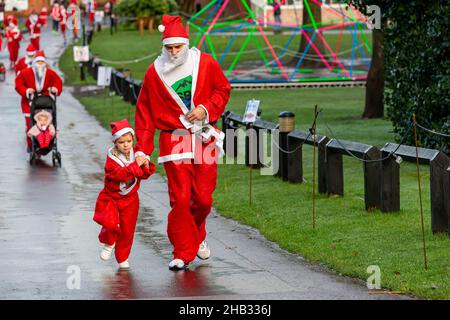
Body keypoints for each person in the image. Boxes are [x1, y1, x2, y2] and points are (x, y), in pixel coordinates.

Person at [134, 15, 231, 271]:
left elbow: (222, 89)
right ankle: (181, 251)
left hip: (204, 136)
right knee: (180, 198)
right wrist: (143, 150)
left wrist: (205, 108)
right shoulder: (154, 73)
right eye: (169, 47)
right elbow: (144, 112)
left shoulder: (205, 62)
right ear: (164, 46)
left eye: (178, 47)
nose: (174, 52)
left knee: (203, 199)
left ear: (186, 44)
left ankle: (196, 234)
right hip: (174, 137)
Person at [93, 119, 156, 270]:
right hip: (111, 197)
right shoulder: (111, 159)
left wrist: (145, 165)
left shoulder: (136, 155)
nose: (126, 145)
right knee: (109, 223)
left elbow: (143, 175)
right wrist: (136, 164)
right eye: (121, 142)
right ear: (115, 143)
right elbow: (120, 175)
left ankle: (122, 257)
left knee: (128, 229)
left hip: (130, 199)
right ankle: (109, 243)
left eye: (128, 141)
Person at [15, 51, 63, 152]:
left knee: (46, 124)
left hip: (45, 102)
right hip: (29, 102)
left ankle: (45, 143)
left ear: (45, 63)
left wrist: (55, 88)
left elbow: (58, 81)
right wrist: (27, 90)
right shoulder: (25, 72)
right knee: (30, 125)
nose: (40, 64)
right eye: (38, 62)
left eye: (42, 62)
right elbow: (18, 84)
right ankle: (31, 145)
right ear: (34, 62)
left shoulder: (49, 72)